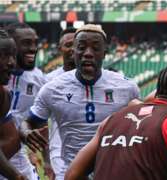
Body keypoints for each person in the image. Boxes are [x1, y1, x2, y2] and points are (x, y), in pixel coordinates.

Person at [20, 24, 140, 179]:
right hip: (70, 171)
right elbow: (28, 122)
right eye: (81, 47)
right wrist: (27, 134)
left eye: (95, 48)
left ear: (105, 53)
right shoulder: (53, 89)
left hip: (110, 172)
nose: (88, 53)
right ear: (73, 51)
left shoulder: (126, 87)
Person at [2, 22, 45, 180]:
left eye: (35, 42)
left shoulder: (39, 80)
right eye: (26, 43)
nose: (33, 48)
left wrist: (36, 154)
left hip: (18, 155)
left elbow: (41, 123)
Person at [45, 27, 76, 179]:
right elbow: (40, 122)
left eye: (77, 44)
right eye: (68, 45)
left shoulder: (94, 80)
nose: (73, 49)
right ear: (60, 49)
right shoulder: (49, 81)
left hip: (90, 151)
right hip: (59, 154)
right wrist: (45, 160)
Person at [0, 29, 26, 180]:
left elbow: (12, 140)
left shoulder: (3, 95)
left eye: (13, 56)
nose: (11, 63)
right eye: (4, 56)